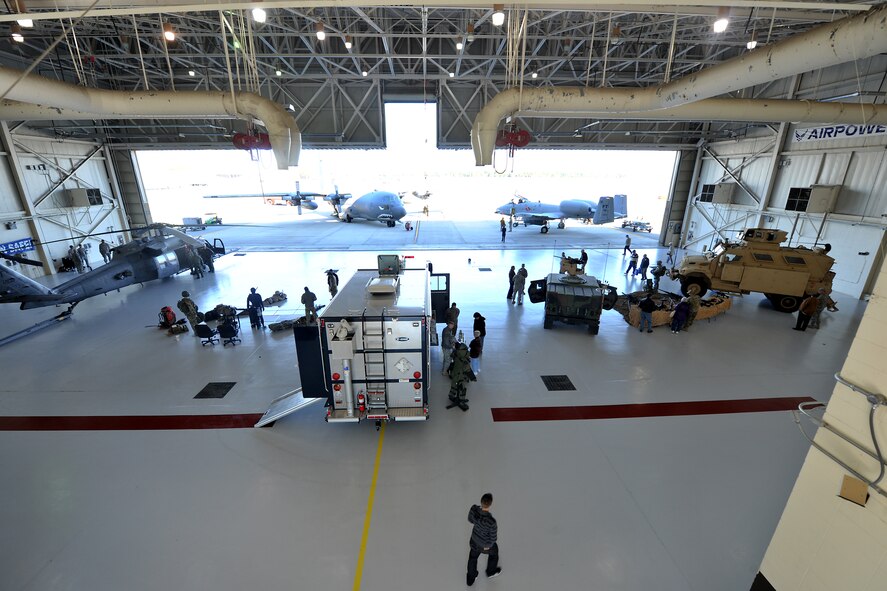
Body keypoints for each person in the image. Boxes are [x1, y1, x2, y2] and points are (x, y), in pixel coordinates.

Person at [466, 493, 501, 586]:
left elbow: (470, 519)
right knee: (494, 553)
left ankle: (470, 578)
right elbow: (493, 538)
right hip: (484, 545)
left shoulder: (474, 509)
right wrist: (487, 547)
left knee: (472, 558)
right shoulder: (491, 522)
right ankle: (491, 572)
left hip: (474, 541)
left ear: (481, 501)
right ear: (490, 504)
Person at [447, 342, 475, 411]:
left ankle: (451, 396)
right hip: (460, 376)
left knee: (454, 385)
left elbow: (452, 356)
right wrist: (473, 378)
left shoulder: (456, 353)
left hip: (454, 374)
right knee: (462, 389)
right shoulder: (464, 360)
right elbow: (468, 370)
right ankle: (461, 402)